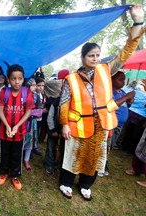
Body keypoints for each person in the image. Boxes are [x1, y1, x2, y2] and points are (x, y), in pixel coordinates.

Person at [58, 4, 144, 201]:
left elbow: (126, 51)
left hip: (101, 124)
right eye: (91, 56)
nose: (95, 59)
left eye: (97, 55)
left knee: (95, 157)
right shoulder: (71, 78)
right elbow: (64, 102)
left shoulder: (107, 69)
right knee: (73, 156)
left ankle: (86, 185)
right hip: (77, 123)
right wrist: (64, 124)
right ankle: (66, 183)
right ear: (83, 57)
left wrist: (138, 22)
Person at [0, 64, 35, 190]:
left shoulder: (27, 92)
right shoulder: (4, 92)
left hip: (20, 131)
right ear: (8, 79)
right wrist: (7, 126)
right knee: (5, 152)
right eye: (13, 79)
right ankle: (4, 172)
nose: (17, 82)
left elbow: (28, 111)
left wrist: (17, 126)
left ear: (23, 79)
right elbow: (0, 110)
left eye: (20, 79)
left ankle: (15, 175)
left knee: (17, 153)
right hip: (4, 130)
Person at [23, 78, 42, 170]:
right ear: (28, 86)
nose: (35, 87)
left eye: (35, 85)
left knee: (30, 141)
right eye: (33, 85)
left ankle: (26, 160)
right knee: (21, 140)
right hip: (22, 122)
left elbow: (39, 112)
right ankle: (19, 157)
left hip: (31, 123)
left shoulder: (36, 96)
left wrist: (28, 112)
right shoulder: (21, 95)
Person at [32, 77, 45, 156]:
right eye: (38, 85)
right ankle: (30, 147)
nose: (41, 87)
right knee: (33, 132)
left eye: (43, 86)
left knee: (37, 132)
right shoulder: (33, 95)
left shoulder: (43, 94)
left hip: (40, 118)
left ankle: (35, 147)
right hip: (34, 117)